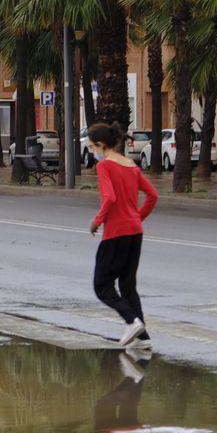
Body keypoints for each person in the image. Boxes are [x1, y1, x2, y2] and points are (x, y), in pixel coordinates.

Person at [87, 122, 158, 349]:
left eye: (92, 147)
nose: (92, 152)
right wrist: (136, 217)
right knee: (128, 286)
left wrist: (97, 221)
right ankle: (142, 338)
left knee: (102, 286)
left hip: (115, 234)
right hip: (135, 233)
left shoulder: (105, 167)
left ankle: (132, 321)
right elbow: (152, 195)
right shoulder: (131, 166)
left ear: (101, 145)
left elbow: (109, 199)